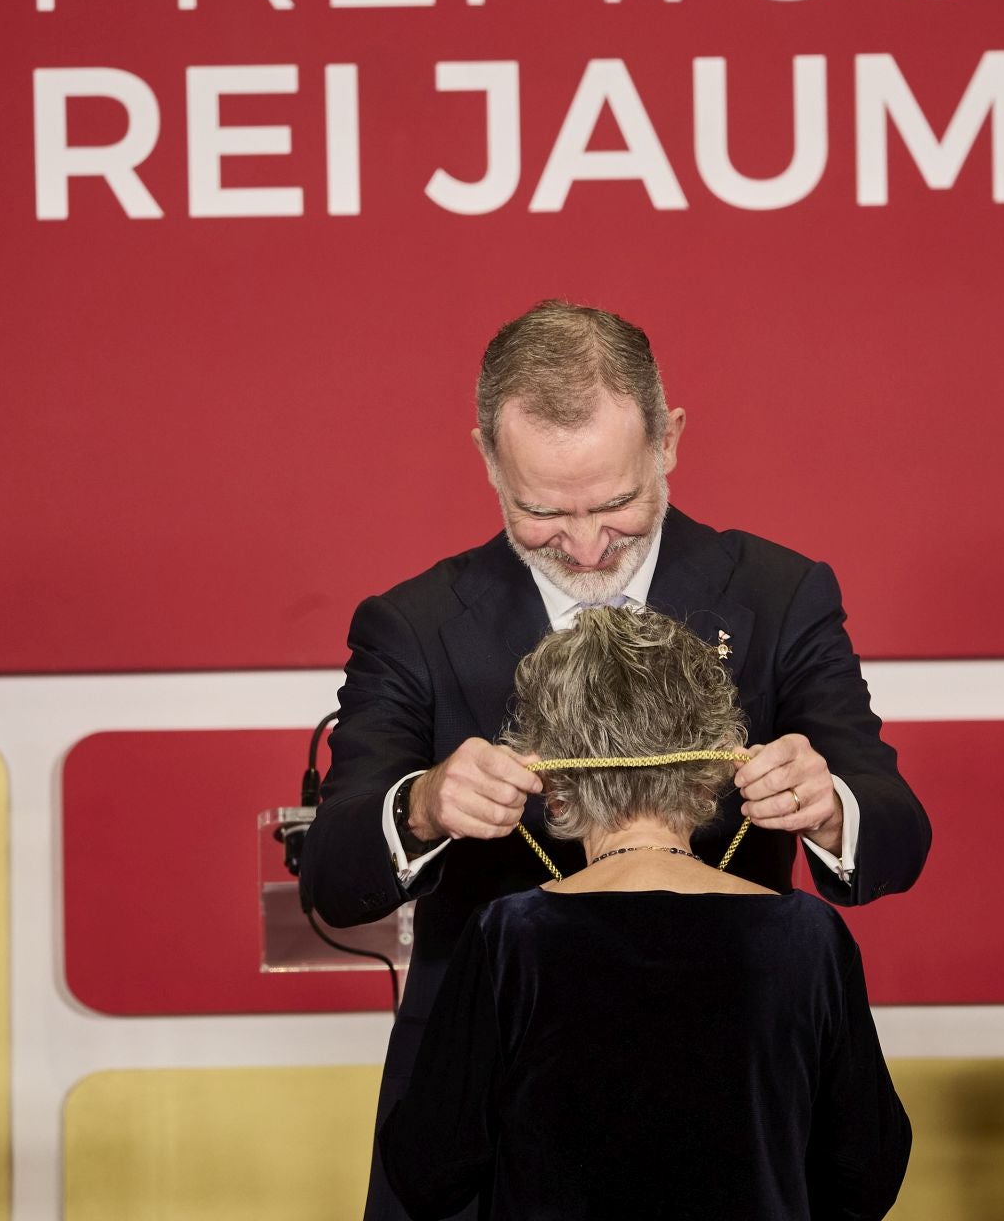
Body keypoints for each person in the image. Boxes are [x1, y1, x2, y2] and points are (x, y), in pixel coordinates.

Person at [302, 299, 930, 1219]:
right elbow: (336, 875)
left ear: (668, 440)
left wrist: (832, 804)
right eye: (542, 511)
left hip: (736, 1119)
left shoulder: (780, 594)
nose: (588, 546)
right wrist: (424, 805)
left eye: (616, 504)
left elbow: (898, 830)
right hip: (480, 1127)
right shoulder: (415, 624)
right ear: (487, 460)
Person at [379, 605, 911, 1219]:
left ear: (549, 783)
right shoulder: (807, 938)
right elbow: (868, 1174)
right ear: (715, 773)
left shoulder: (511, 939)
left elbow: (426, 1172)